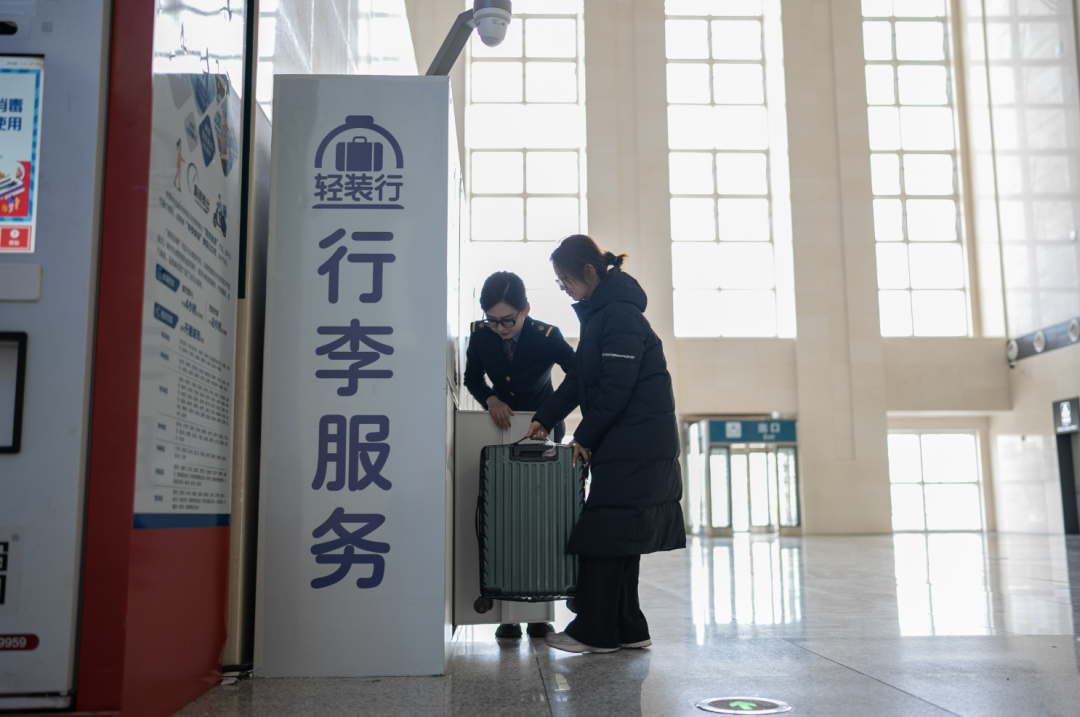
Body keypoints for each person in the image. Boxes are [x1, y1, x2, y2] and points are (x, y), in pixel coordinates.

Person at [527, 234, 686, 654]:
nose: (564, 288)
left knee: (602, 535)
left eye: (565, 280)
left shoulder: (618, 315)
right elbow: (580, 379)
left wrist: (584, 436)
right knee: (619, 538)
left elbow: (617, 387)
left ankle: (594, 632)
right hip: (630, 441)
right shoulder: (601, 315)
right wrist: (544, 417)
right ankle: (628, 629)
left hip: (637, 443)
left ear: (589, 271)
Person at [463, 270, 577, 640]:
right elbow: (472, 378)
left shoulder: (548, 336)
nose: (500, 329)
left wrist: (551, 414)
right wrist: (491, 399)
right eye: (492, 320)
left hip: (545, 428)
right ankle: (508, 613)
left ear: (525, 309)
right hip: (501, 426)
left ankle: (540, 611)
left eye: (507, 320)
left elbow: (579, 375)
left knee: (543, 518)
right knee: (506, 517)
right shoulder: (480, 335)